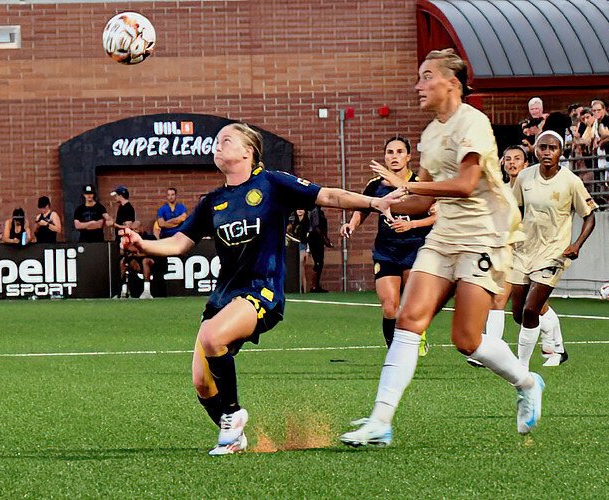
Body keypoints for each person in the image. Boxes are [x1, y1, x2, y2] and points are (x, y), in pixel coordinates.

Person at [116, 122, 398, 456]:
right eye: (217, 142)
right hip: (224, 295)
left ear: (248, 152)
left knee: (211, 338)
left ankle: (234, 416)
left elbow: (329, 195)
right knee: (202, 383)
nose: (218, 146)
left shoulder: (272, 183)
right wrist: (143, 245)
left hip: (262, 289)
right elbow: (179, 243)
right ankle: (233, 437)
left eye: (226, 140)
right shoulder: (213, 201)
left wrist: (372, 203)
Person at [341, 49, 544, 447]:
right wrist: (381, 202)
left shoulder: (475, 122)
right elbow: (421, 201)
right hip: (443, 237)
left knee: (466, 339)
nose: (418, 85)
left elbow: (465, 184)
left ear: (452, 83)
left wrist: (409, 185)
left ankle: (527, 381)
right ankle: (380, 421)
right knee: (407, 321)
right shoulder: (430, 133)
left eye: (426, 76)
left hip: (483, 237)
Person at [506, 131, 597, 368]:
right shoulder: (524, 177)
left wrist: (576, 244)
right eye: (543, 147)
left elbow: (589, 217)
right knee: (518, 313)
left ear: (561, 151)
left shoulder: (571, 181)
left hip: (553, 253)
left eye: (553, 148)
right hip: (524, 250)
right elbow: (514, 211)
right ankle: (557, 347)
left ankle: (521, 367)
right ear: (535, 150)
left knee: (530, 309)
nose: (547, 152)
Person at [341, 137, 435, 348]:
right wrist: (352, 224)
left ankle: (419, 334)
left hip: (415, 247)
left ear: (409, 157)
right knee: (390, 306)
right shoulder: (375, 185)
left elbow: (438, 215)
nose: (394, 156)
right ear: (384, 157)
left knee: (412, 303)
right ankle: (394, 350)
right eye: (390, 152)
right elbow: (364, 207)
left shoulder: (419, 184)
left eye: (400, 152)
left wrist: (412, 225)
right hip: (386, 250)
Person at [111, 186, 150, 298]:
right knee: (122, 263)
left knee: (126, 262)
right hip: (122, 241)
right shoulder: (121, 207)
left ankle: (126, 290)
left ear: (121, 195)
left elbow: (127, 226)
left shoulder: (128, 208)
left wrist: (113, 224)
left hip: (128, 242)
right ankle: (123, 291)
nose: (115, 197)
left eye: (117, 195)